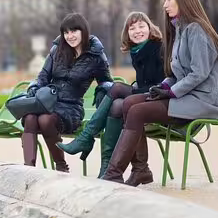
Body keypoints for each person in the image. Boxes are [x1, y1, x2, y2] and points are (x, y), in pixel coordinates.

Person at [102, 0, 218, 185]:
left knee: (137, 111)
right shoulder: (180, 30)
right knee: (128, 103)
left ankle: (113, 174)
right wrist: (163, 87)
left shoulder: (196, 30)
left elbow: (199, 74)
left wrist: (171, 92)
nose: (165, 4)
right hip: (185, 95)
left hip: (201, 101)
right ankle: (140, 170)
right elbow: (177, 73)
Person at [56, 11, 164, 181]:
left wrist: (136, 90)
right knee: (116, 105)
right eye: (132, 28)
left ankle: (87, 137)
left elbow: (162, 82)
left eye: (142, 26)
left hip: (160, 97)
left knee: (117, 89)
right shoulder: (138, 51)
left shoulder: (159, 48)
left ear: (150, 28)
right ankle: (112, 168)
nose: (137, 31)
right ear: (127, 33)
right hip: (145, 96)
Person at [22, 13, 113, 173]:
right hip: (48, 102)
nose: (70, 36)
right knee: (30, 117)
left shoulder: (96, 55)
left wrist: (103, 91)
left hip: (71, 109)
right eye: (66, 32)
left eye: (74, 31)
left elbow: (106, 81)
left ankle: (61, 166)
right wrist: (34, 88)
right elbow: (43, 76)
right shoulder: (57, 50)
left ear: (83, 31)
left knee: (44, 121)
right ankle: (29, 170)